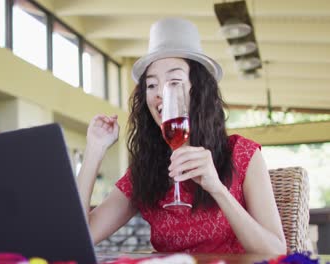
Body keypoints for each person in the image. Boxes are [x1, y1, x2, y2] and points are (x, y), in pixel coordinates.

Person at [76, 18, 286, 254]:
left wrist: (217, 188)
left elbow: (276, 252)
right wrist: (95, 149)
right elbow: (79, 237)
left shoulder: (242, 153)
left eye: (174, 81)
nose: (161, 94)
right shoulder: (145, 170)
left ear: (198, 91)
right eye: (152, 85)